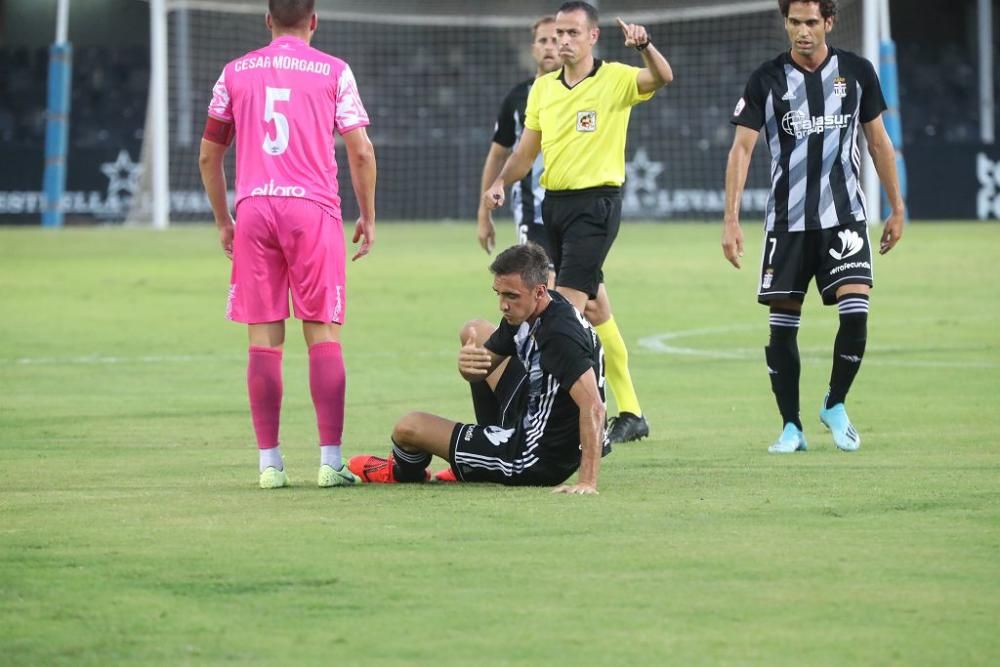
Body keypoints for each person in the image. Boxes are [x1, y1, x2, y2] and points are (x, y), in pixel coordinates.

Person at [198, 0, 377, 488]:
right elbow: (360, 151)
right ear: (314, 21)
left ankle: (270, 466)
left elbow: (209, 156)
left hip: (256, 209)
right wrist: (368, 214)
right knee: (321, 334)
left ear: (267, 20)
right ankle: (329, 461)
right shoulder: (334, 71)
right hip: (312, 210)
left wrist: (223, 219)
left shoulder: (234, 72)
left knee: (263, 341)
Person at [483, 1, 674, 445]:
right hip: (554, 207)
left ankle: (577, 416)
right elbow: (526, 152)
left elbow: (662, 77)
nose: (564, 40)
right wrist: (500, 183)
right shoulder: (544, 89)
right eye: (558, 33)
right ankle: (630, 412)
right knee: (595, 309)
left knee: (558, 310)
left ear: (592, 37)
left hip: (596, 207)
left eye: (572, 33)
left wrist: (645, 47)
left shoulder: (617, 78)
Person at [721, 0, 904, 453]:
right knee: (782, 327)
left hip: (844, 218)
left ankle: (835, 403)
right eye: (794, 22)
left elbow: (878, 141)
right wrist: (731, 220)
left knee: (856, 311)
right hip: (787, 222)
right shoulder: (767, 79)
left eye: (810, 22)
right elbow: (741, 150)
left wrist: (897, 207)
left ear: (828, 22)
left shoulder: (858, 72)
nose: (801, 31)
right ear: (786, 23)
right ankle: (791, 427)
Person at [347, 243, 607, 494]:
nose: (503, 305)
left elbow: (594, 405)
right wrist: (467, 366)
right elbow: (481, 367)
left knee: (408, 427)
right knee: (476, 330)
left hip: (534, 455)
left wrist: (587, 482)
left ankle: (403, 472)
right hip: (532, 409)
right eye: (499, 294)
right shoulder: (536, 308)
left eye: (511, 296)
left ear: (539, 291)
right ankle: (478, 462)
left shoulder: (559, 335)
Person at [476, 16, 559, 264]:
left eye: (555, 40)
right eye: (542, 40)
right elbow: (497, 155)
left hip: (573, 209)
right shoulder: (517, 99)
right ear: (533, 48)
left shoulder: (581, 95)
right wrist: (484, 213)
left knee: (588, 298)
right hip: (533, 210)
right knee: (545, 285)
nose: (549, 46)